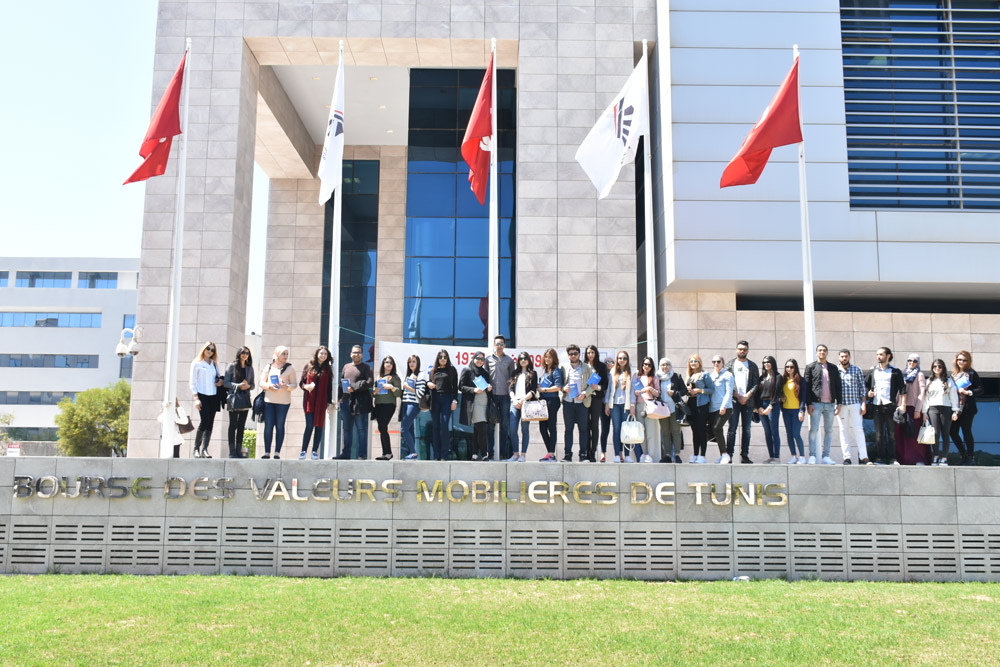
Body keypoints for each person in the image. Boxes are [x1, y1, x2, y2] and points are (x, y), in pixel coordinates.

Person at [865, 346, 905, 466]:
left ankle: (893, 458)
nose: (878, 356)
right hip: (877, 405)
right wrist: (868, 394)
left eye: (881, 354)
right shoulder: (873, 371)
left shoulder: (895, 371)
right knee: (879, 434)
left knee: (892, 434)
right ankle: (880, 458)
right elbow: (865, 385)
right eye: (877, 354)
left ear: (888, 356)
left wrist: (903, 405)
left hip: (890, 405)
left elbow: (903, 389)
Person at [803, 344, 842, 465]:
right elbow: (806, 387)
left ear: (827, 353)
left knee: (829, 430)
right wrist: (808, 404)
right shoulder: (810, 367)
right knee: (814, 429)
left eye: (824, 350)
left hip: (830, 404)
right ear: (816, 353)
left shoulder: (833, 368)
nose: (822, 352)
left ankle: (826, 456)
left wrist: (839, 403)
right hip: (816, 403)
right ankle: (812, 456)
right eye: (820, 350)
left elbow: (838, 386)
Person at [724, 341, 760, 464]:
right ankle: (729, 455)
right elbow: (726, 382)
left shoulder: (753, 366)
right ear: (736, 350)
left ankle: (744, 455)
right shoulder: (730, 364)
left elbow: (756, 383)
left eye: (744, 349)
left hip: (748, 402)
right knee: (732, 429)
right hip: (734, 401)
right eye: (740, 349)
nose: (742, 351)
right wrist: (737, 395)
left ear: (748, 350)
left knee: (747, 429)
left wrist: (747, 396)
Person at [298, 346, 334, 460]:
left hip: (321, 401)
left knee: (318, 426)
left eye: (325, 354)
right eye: (321, 353)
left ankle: (314, 451)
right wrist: (306, 387)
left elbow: (329, 388)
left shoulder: (328, 369)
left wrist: (329, 403)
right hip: (309, 400)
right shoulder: (309, 366)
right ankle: (303, 451)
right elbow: (301, 383)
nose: (323, 355)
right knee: (309, 425)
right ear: (317, 354)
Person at [337, 344, 374, 460]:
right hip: (346, 401)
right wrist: (340, 397)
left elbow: (369, 382)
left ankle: (362, 455)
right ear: (350, 354)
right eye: (354, 352)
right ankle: (345, 454)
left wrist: (354, 387)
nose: (356, 354)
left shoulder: (366, 367)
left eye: (358, 352)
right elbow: (341, 382)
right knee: (347, 430)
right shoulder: (346, 366)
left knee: (361, 429)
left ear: (362, 355)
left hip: (360, 403)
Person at [260, 345, 296, 459]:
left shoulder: (290, 368)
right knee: (269, 425)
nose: (285, 356)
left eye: (287, 354)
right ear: (277, 354)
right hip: (269, 400)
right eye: (283, 354)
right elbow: (261, 382)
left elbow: (294, 385)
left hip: (284, 402)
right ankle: (266, 452)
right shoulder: (269, 367)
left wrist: (286, 386)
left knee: (280, 425)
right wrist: (269, 386)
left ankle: (277, 452)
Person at [189, 341, 224, 459]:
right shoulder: (197, 363)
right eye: (208, 348)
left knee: (210, 423)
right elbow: (192, 382)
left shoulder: (214, 364)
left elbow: (219, 378)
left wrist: (220, 382)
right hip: (202, 395)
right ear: (204, 349)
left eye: (212, 350)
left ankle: (204, 449)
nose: (210, 351)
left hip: (213, 395)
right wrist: (196, 398)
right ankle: (196, 449)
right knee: (204, 420)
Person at [922, 359, 960, 466]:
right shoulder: (929, 381)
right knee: (935, 434)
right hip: (933, 409)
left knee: (945, 434)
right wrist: (924, 412)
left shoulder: (948, 381)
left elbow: (954, 397)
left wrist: (955, 411)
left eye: (939, 366)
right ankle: (936, 456)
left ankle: (944, 458)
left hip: (946, 408)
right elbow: (926, 398)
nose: (937, 369)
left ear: (943, 368)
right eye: (935, 367)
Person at [561, 344, 595, 462]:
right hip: (568, 402)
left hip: (582, 402)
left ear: (579, 354)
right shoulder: (563, 367)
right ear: (568, 355)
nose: (573, 356)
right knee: (568, 429)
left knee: (583, 430)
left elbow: (593, 385)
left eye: (575, 353)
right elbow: (559, 384)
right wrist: (563, 388)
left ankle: (583, 455)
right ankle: (568, 455)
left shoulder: (587, 368)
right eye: (571, 354)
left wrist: (585, 393)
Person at [951, 350, 984, 466]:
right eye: (959, 359)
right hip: (955, 408)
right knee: (952, 432)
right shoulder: (953, 374)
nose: (962, 362)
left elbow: (980, 389)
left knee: (966, 431)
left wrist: (968, 392)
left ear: (968, 361)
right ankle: (963, 455)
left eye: (964, 360)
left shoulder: (972, 373)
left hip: (967, 407)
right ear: (956, 360)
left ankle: (970, 457)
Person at [836, 349, 869, 465]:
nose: (844, 358)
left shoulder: (857, 369)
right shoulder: (835, 370)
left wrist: (864, 403)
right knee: (843, 430)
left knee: (858, 430)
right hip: (841, 405)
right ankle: (847, 457)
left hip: (855, 403)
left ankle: (864, 457)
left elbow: (862, 387)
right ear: (839, 357)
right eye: (842, 356)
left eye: (846, 356)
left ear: (849, 357)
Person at [487, 335, 516, 460]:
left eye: (501, 344)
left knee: (504, 425)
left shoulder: (509, 361)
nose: (499, 346)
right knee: (490, 425)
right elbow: (485, 376)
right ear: (494, 345)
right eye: (497, 344)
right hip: (492, 396)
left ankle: (503, 453)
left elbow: (512, 378)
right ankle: (490, 453)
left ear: (504, 345)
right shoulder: (488, 360)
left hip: (505, 396)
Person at [459, 351, 492, 461]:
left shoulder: (486, 373)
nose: (479, 360)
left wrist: (489, 388)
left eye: (482, 359)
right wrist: (473, 390)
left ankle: (474, 454)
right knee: (482, 428)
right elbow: (461, 387)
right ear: (473, 358)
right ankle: (484, 454)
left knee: (477, 430)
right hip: (474, 403)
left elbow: (488, 388)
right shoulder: (467, 370)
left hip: (485, 402)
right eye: (477, 358)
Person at [896, 354, 928, 465]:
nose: (911, 363)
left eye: (914, 361)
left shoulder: (919, 375)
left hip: (913, 409)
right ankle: (902, 460)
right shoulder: (902, 374)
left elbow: (922, 393)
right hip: (901, 408)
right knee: (900, 435)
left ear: (917, 363)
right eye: (909, 360)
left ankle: (917, 459)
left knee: (914, 436)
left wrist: (918, 409)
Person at [604, 350, 636, 463]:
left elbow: (633, 390)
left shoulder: (632, 372)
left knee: (626, 429)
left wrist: (633, 404)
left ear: (627, 360)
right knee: (616, 429)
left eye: (624, 358)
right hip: (614, 405)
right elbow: (608, 389)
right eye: (620, 358)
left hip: (626, 405)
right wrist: (607, 404)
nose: (622, 360)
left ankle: (627, 455)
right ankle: (617, 454)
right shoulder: (612, 372)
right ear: (617, 360)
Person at [427, 349, 458, 461]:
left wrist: (455, 400)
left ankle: (444, 455)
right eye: (441, 357)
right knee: (435, 427)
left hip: (447, 399)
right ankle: (436, 455)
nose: (443, 359)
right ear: (438, 358)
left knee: (444, 426)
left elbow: (455, 387)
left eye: (445, 357)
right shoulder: (433, 370)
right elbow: (428, 383)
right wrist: (428, 383)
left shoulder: (452, 370)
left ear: (447, 358)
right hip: (435, 400)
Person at [223, 346, 254, 459]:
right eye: (243, 353)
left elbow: (253, 385)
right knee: (233, 425)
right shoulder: (232, 366)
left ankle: (239, 450)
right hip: (233, 399)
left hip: (245, 399)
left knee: (241, 426)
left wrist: (248, 386)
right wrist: (238, 386)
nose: (245, 355)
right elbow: (226, 383)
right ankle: (232, 451)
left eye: (247, 353)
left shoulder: (249, 368)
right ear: (239, 354)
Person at [507, 352, 537, 462]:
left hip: (526, 404)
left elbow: (533, 390)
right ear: (518, 361)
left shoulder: (533, 373)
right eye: (521, 358)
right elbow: (510, 389)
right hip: (514, 403)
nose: (523, 360)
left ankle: (523, 455)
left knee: (525, 429)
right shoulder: (515, 373)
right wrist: (514, 400)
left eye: (525, 358)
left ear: (529, 360)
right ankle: (515, 454)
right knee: (512, 429)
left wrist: (523, 400)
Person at [372, 355, 402, 461]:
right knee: (381, 428)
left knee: (383, 426)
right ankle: (385, 453)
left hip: (389, 405)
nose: (388, 364)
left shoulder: (395, 377)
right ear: (383, 364)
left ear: (393, 365)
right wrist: (375, 391)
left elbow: (399, 393)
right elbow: (373, 394)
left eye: (390, 362)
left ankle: (388, 452)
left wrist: (392, 387)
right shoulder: (378, 377)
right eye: (386, 362)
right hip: (378, 404)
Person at [536, 348, 563, 462]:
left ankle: (551, 454)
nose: (547, 359)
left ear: (554, 358)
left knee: (551, 427)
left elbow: (558, 387)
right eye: (546, 357)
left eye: (550, 357)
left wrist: (544, 389)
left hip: (552, 401)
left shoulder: (556, 371)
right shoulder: (544, 371)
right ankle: (550, 453)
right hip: (543, 402)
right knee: (542, 428)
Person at [685, 354, 713, 464]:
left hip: (702, 404)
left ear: (699, 362)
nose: (693, 363)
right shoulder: (689, 375)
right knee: (694, 431)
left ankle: (702, 455)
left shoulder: (705, 374)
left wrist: (699, 390)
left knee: (701, 430)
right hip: (691, 404)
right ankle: (695, 454)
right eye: (691, 361)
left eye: (695, 361)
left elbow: (711, 389)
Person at [657, 357, 686, 463]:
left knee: (676, 431)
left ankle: (677, 455)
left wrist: (675, 393)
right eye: (663, 365)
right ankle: (667, 455)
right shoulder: (657, 377)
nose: (665, 367)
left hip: (675, 408)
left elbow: (684, 391)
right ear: (660, 366)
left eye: (667, 364)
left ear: (670, 366)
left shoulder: (676, 376)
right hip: (662, 409)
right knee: (665, 432)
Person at [754, 356, 782, 464]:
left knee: (774, 431)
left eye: (768, 362)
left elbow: (777, 393)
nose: (766, 364)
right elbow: (757, 395)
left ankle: (776, 457)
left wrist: (770, 407)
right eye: (764, 362)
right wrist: (759, 407)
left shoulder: (778, 377)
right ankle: (771, 456)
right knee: (767, 432)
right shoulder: (761, 378)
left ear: (773, 363)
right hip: (762, 405)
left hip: (772, 406)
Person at [708, 355, 735, 464]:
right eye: (713, 362)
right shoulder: (711, 375)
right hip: (713, 408)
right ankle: (722, 455)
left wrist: (724, 406)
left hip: (725, 407)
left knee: (717, 428)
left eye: (718, 361)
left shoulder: (728, 375)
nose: (716, 364)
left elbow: (729, 392)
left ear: (722, 363)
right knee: (716, 430)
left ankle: (725, 454)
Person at [634, 356, 661, 463]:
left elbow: (658, 393)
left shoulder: (654, 378)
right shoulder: (637, 378)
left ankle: (651, 454)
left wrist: (650, 389)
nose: (647, 366)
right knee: (642, 432)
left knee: (651, 432)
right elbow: (634, 392)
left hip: (650, 405)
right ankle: (644, 454)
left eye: (649, 365)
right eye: (645, 364)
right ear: (642, 365)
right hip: (639, 405)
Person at [399, 355, 426, 460]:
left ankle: (414, 452)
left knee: (404, 428)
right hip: (405, 404)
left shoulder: (421, 375)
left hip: (414, 404)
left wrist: (408, 387)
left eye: (414, 361)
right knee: (409, 430)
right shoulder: (409, 375)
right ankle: (412, 453)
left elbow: (420, 393)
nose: (411, 364)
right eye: (410, 362)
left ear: (418, 363)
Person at [585, 346, 609, 463]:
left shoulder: (601, 366)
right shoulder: (583, 365)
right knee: (585, 426)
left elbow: (605, 384)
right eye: (588, 352)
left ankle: (593, 452)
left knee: (594, 425)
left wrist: (598, 387)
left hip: (596, 399)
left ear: (596, 353)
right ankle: (585, 452)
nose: (590, 355)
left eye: (592, 352)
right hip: (584, 398)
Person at [780, 359, 806, 464]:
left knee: (796, 433)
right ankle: (794, 456)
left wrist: (801, 410)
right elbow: (780, 392)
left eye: (791, 367)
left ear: (795, 368)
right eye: (787, 367)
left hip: (796, 410)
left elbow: (803, 397)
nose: (789, 369)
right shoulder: (783, 380)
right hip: (786, 410)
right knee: (789, 434)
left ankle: (802, 457)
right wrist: (781, 397)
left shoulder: (801, 380)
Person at [598, 356, 615, 462]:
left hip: (616, 405)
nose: (609, 363)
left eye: (612, 362)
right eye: (607, 362)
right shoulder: (602, 375)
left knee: (617, 430)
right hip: (603, 404)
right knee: (605, 430)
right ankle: (602, 453)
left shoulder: (617, 374)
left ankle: (619, 453)